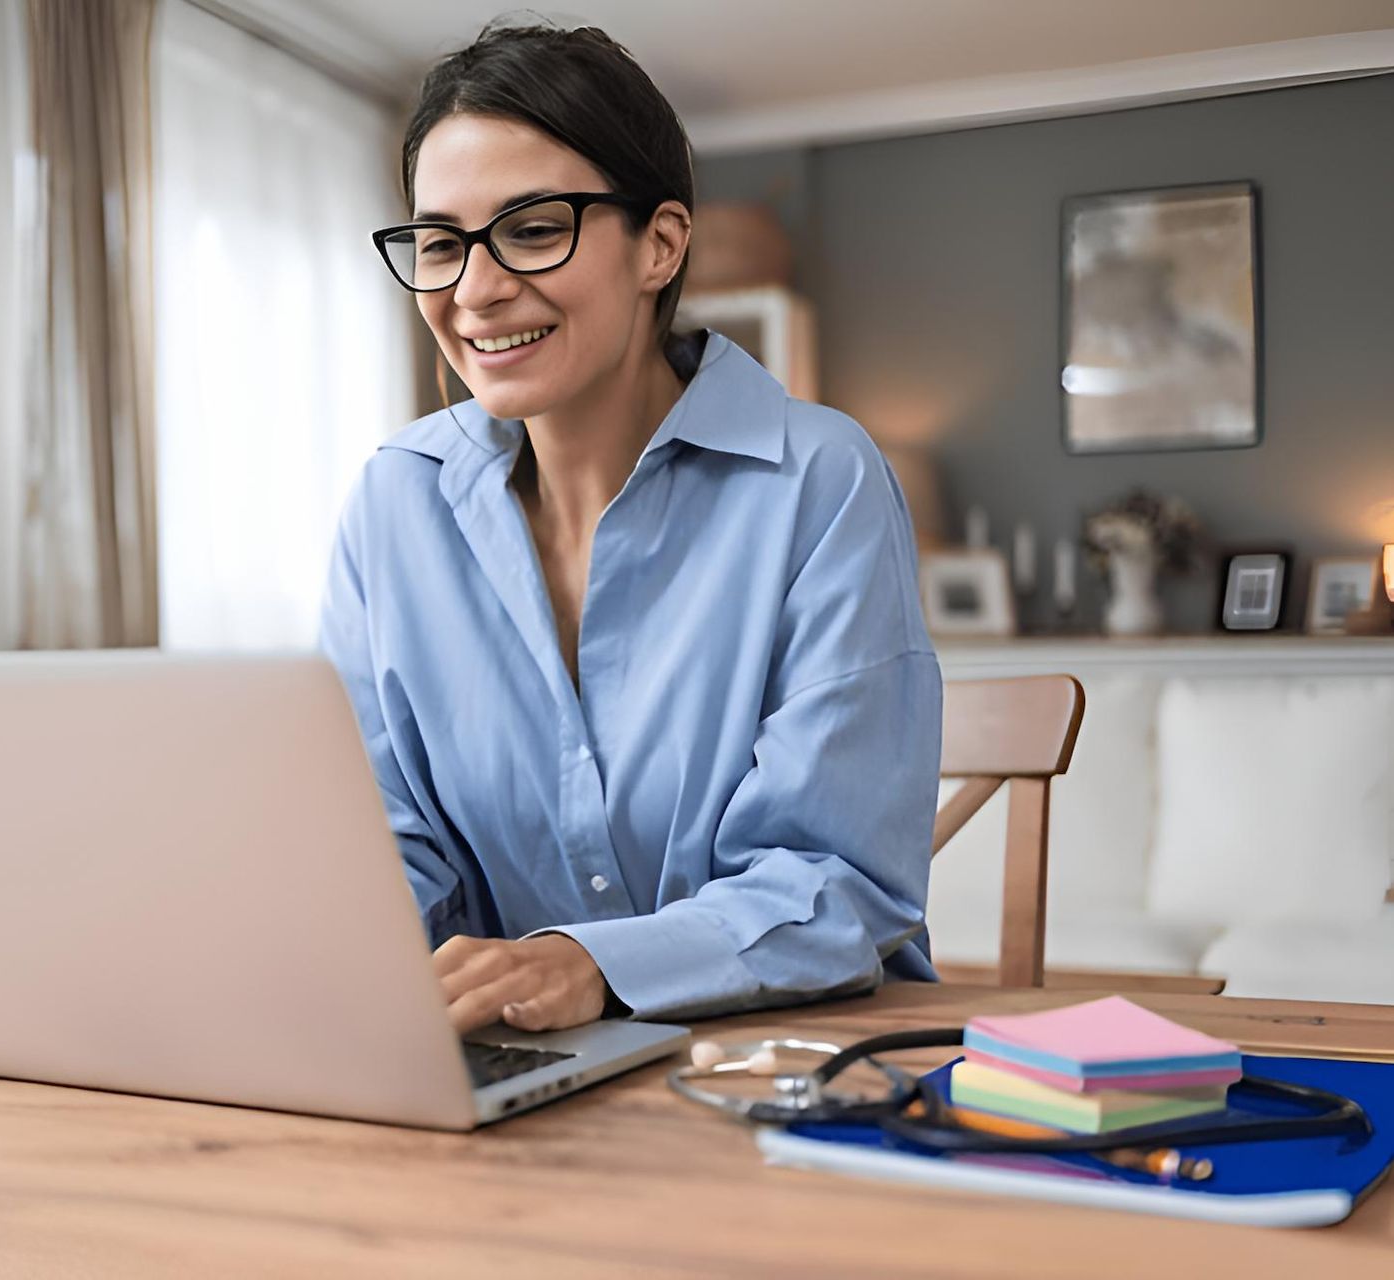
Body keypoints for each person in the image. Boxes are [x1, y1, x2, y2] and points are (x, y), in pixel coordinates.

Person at [318, 21, 942, 1035]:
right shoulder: (394, 503)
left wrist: (590, 962)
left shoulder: (819, 480)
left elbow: (839, 881)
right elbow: (379, 844)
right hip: (514, 1070)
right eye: (441, 243)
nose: (475, 289)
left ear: (660, 245)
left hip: (785, 1065)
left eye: (531, 228)